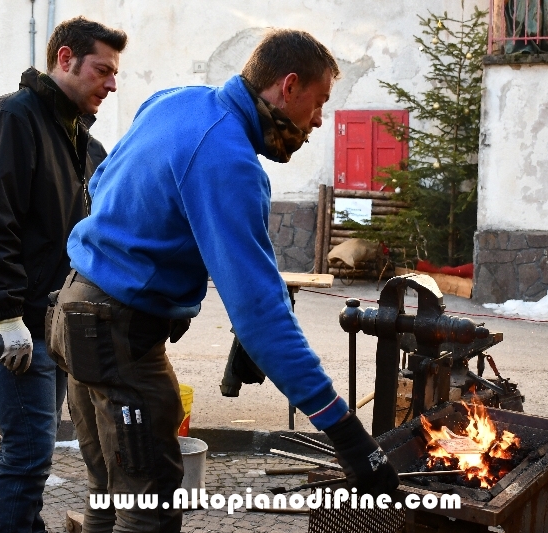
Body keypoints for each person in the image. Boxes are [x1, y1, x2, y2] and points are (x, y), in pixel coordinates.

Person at [49, 28, 398, 532]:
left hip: (74, 309)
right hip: (117, 335)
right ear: (288, 86)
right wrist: (345, 434)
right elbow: (261, 316)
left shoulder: (175, 101)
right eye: (320, 103)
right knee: (148, 510)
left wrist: (158, 275)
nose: (319, 121)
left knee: (107, 496)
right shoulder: (229, 159)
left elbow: (103, 184)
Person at [0, 17, 127, 533]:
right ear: (65, 59)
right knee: (26, 456)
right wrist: (5, 316)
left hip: (54, 320)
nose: (111, 84)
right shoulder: (10, 119)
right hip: (14, 321)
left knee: (34, 455)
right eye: (102, 70)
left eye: (115, 74)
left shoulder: (82, 142)